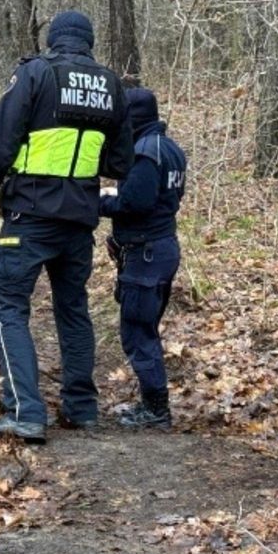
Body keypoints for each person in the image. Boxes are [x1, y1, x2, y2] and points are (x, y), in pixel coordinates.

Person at [0, 10, 134, 444]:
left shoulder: (36, 74)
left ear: (54, 40)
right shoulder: (111, 85)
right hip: (79, 218)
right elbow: (121, 161)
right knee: (73, 310)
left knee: (9, 308)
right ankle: (82, 407)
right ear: (89, 42)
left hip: (29, 216)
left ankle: (26, 412)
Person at [100, 87, 187, 430]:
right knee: (145, 328)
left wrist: (95, 202)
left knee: (137, 332)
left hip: (146, 254)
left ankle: (156, 410)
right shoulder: (171, 150)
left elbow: (133, 203)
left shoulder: (145, 153)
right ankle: (152, 402)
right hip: (160, 248)